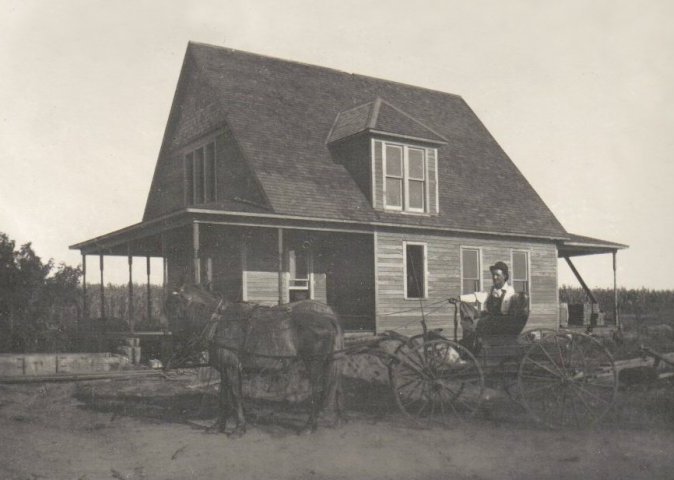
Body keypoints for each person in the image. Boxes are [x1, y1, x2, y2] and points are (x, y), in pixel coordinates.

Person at [449, 261, 529, 353]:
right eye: (493, 275)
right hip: (489, 319)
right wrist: (459, 298)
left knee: (474, 322)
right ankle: (469, 337)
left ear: (505, 276)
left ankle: (470, 340)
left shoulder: (509, 292)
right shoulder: (494, 290)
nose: (494, 278)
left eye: (497, 275)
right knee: (464, 305)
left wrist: (482, 320)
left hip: (499, 323)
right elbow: (479, 296)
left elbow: (505, 313)